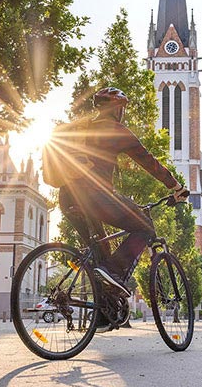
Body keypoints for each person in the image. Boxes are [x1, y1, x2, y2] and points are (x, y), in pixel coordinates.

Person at [58, 87, 189, 300]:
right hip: (94, 196)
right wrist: (176, 187)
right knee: (144, 226)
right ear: (118, 109)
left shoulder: (82, 129)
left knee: (100, 257)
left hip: (67, 197)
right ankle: (114, 271)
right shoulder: (117, 131)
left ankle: (102, 313)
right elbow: (150, 163)